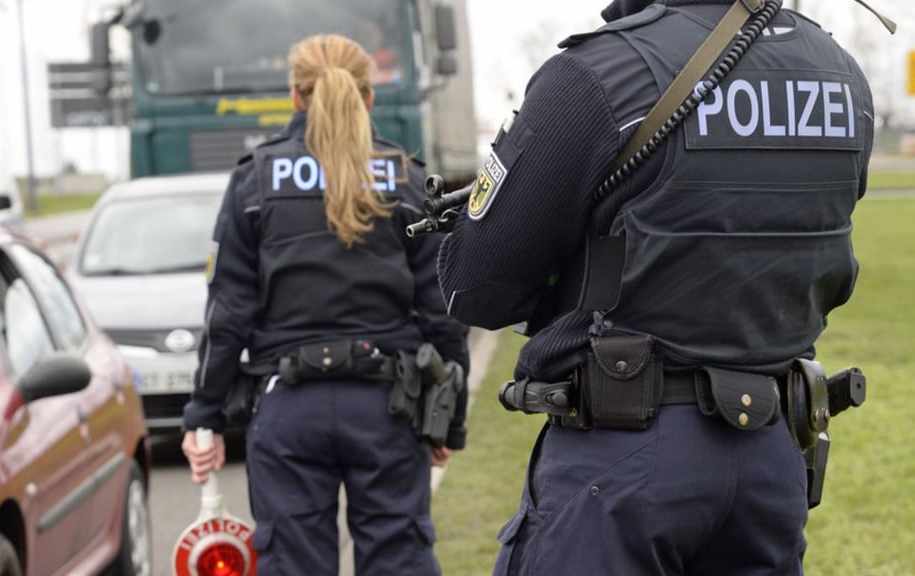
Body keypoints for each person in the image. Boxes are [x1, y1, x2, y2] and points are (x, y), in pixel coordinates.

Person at [436, 1, 875, 574]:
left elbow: (474, 286)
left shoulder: (600, 73)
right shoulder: (843, 76)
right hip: (770, 461)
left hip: (621, 466)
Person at [182, 33, 469, 575]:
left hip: (288, 411)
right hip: (390, 408)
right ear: (369, 97)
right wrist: (449, 422)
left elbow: (229, 313)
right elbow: (443, 313)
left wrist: (205, 414)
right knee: (400, 561)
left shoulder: (254, 181)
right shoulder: (407, 180)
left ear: (296, 96)